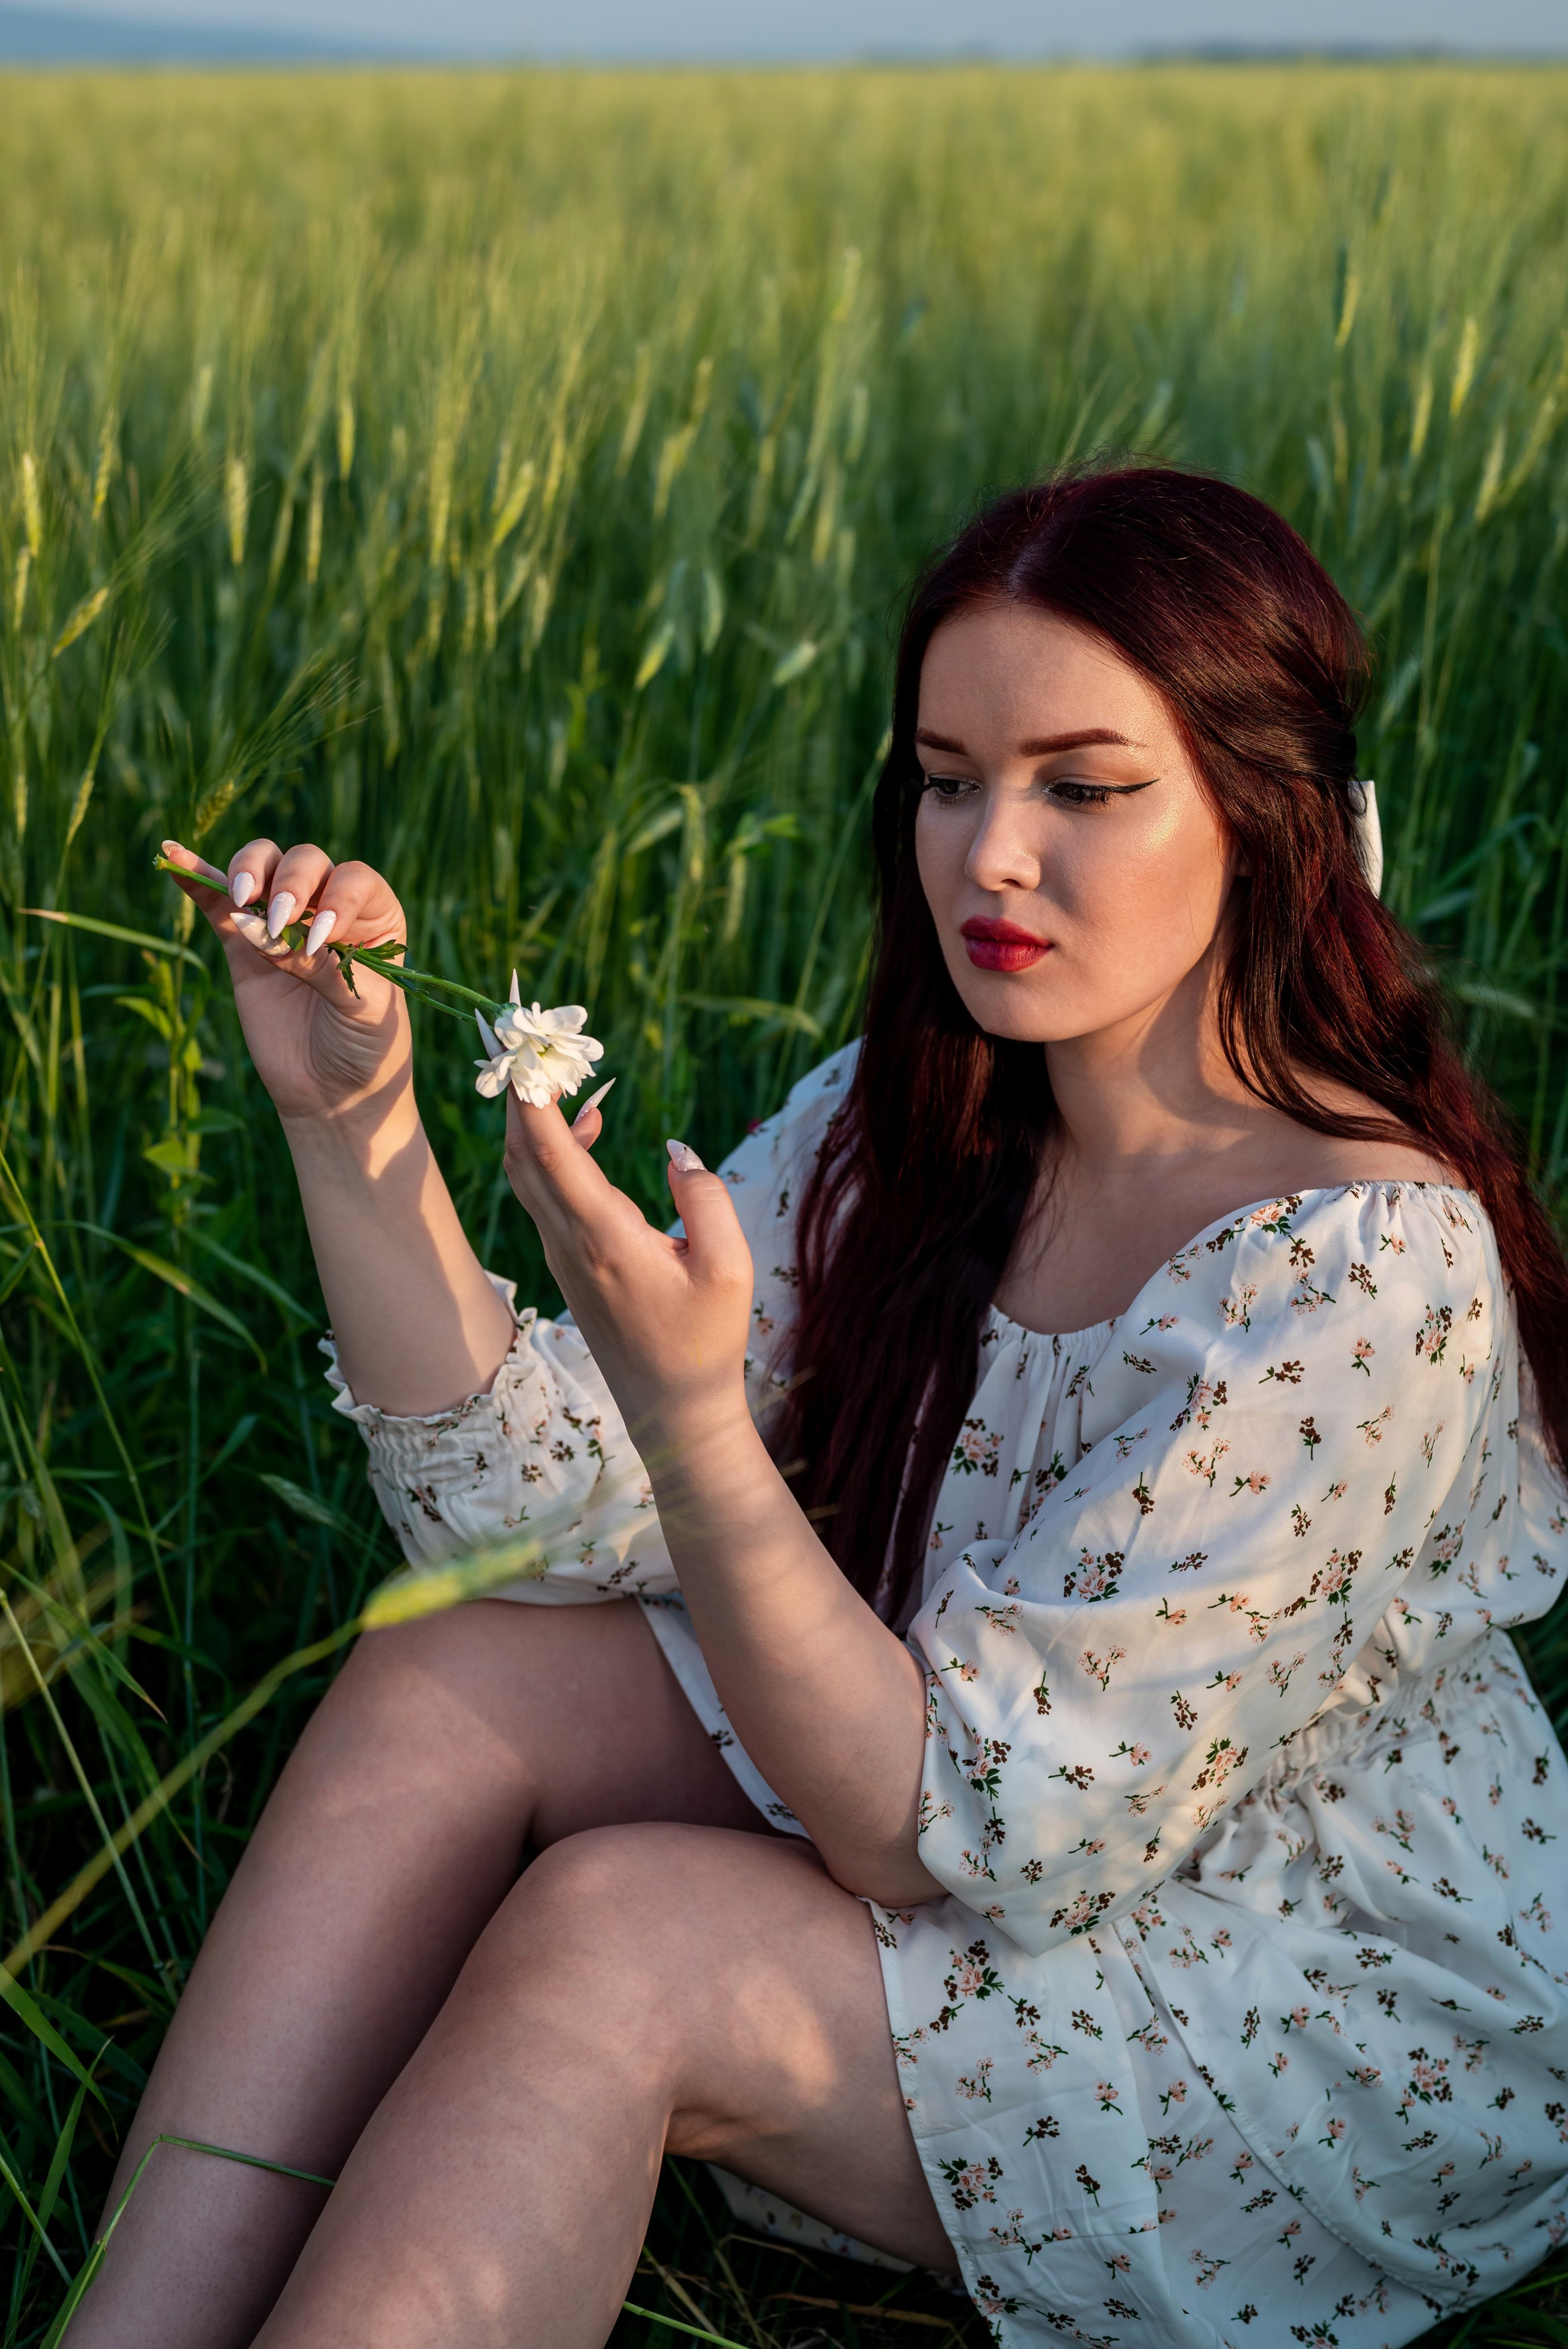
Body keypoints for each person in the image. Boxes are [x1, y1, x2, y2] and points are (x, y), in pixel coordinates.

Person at [81, 465, 1568, 2349]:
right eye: (950, 778)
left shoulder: (1362, 1271)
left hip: (1298, 2009)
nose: (989, 857)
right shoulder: (916, 1125)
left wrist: (701, 1425)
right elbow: (519, 1523)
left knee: (617, 1937)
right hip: (974, 1795)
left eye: (1085, 787)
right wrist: (352, 1119)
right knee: (446, 1675)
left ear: (1267, 816)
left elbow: (972, 1826)